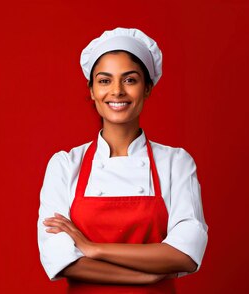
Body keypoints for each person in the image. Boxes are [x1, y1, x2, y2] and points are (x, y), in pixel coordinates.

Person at [37, 27, 208, 293]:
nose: (116, 91)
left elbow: (184, 254)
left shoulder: (176, 163)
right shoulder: (65, 165)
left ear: (148, 88)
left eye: (130, 80)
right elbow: (61, 261)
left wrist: (93, 248)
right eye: (104, 81)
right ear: (92, 90)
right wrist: (146, 277)